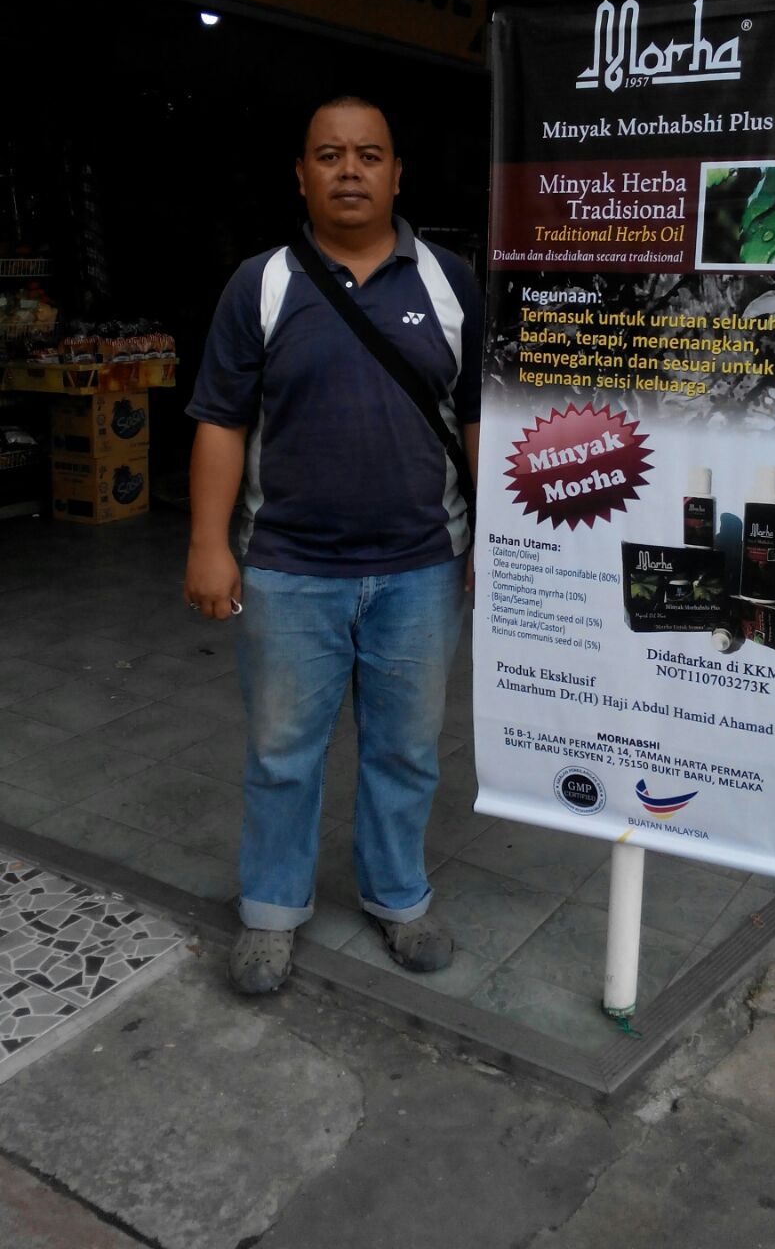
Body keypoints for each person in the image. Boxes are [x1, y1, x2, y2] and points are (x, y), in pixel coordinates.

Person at [183, 96, 481, 994]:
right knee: (283, 752)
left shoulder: (451, 281)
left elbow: (477, 418)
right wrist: (207, 543)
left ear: (398, 174)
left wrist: (499, 540)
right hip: (289, 568)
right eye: (329, 155)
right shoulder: (262, 284)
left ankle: (397, 896)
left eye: (368, 155)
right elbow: (221, 421)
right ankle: (273, 909)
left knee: (407, 750)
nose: (350, 171)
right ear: (301, 175)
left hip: (422, 567)